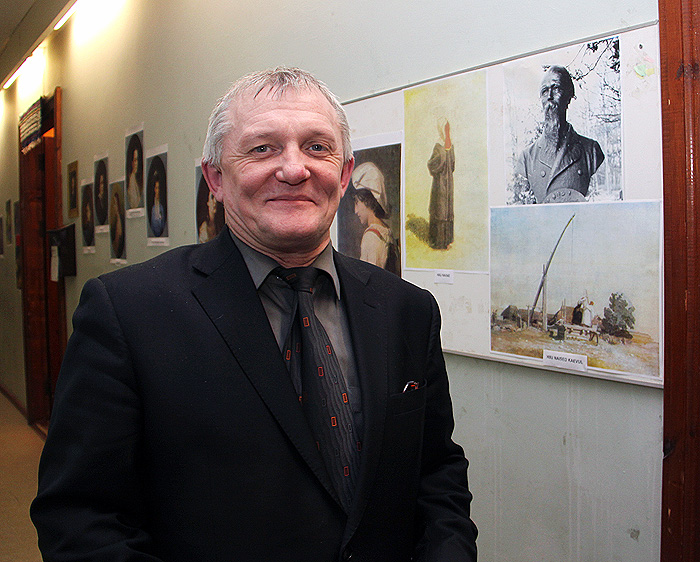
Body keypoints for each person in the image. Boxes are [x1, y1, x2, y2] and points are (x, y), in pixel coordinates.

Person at [31, 67, 477, 562]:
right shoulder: (128, 312)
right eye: (263, 148)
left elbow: (436, 474)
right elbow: (81, 519)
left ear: (344, 173)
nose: (294, 169)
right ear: (215, 178)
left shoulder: (406, 310)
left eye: (317, 147)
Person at [514, 65, 605, 204]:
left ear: (569, 96)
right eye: (545, 91)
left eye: (556, 88)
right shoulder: (527, 157)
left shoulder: (591, 150)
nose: (549, 97)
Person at [351, 161, 398, 274]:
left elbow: (370, 280)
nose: (355, 211)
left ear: (367, 201)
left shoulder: (371, 237)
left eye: (357, 203)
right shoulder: (386, 231)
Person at [428, 117, 455, 249]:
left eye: (448, 129)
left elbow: (453, 166)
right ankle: (438, 242)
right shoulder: (438, 146)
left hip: (448, 184)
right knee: (440, 210)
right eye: (445, 129)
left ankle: (447, 240)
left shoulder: (450, 145)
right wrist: (442, 158)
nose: (447, 131)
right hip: (439, 185)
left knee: (448, 210)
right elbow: (431, 164)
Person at [126, 139, 143, 209]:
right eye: (135, 160)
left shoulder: (135, 180)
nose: (136, 164)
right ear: (131, 162)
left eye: (137, 160)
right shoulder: (131, 181)